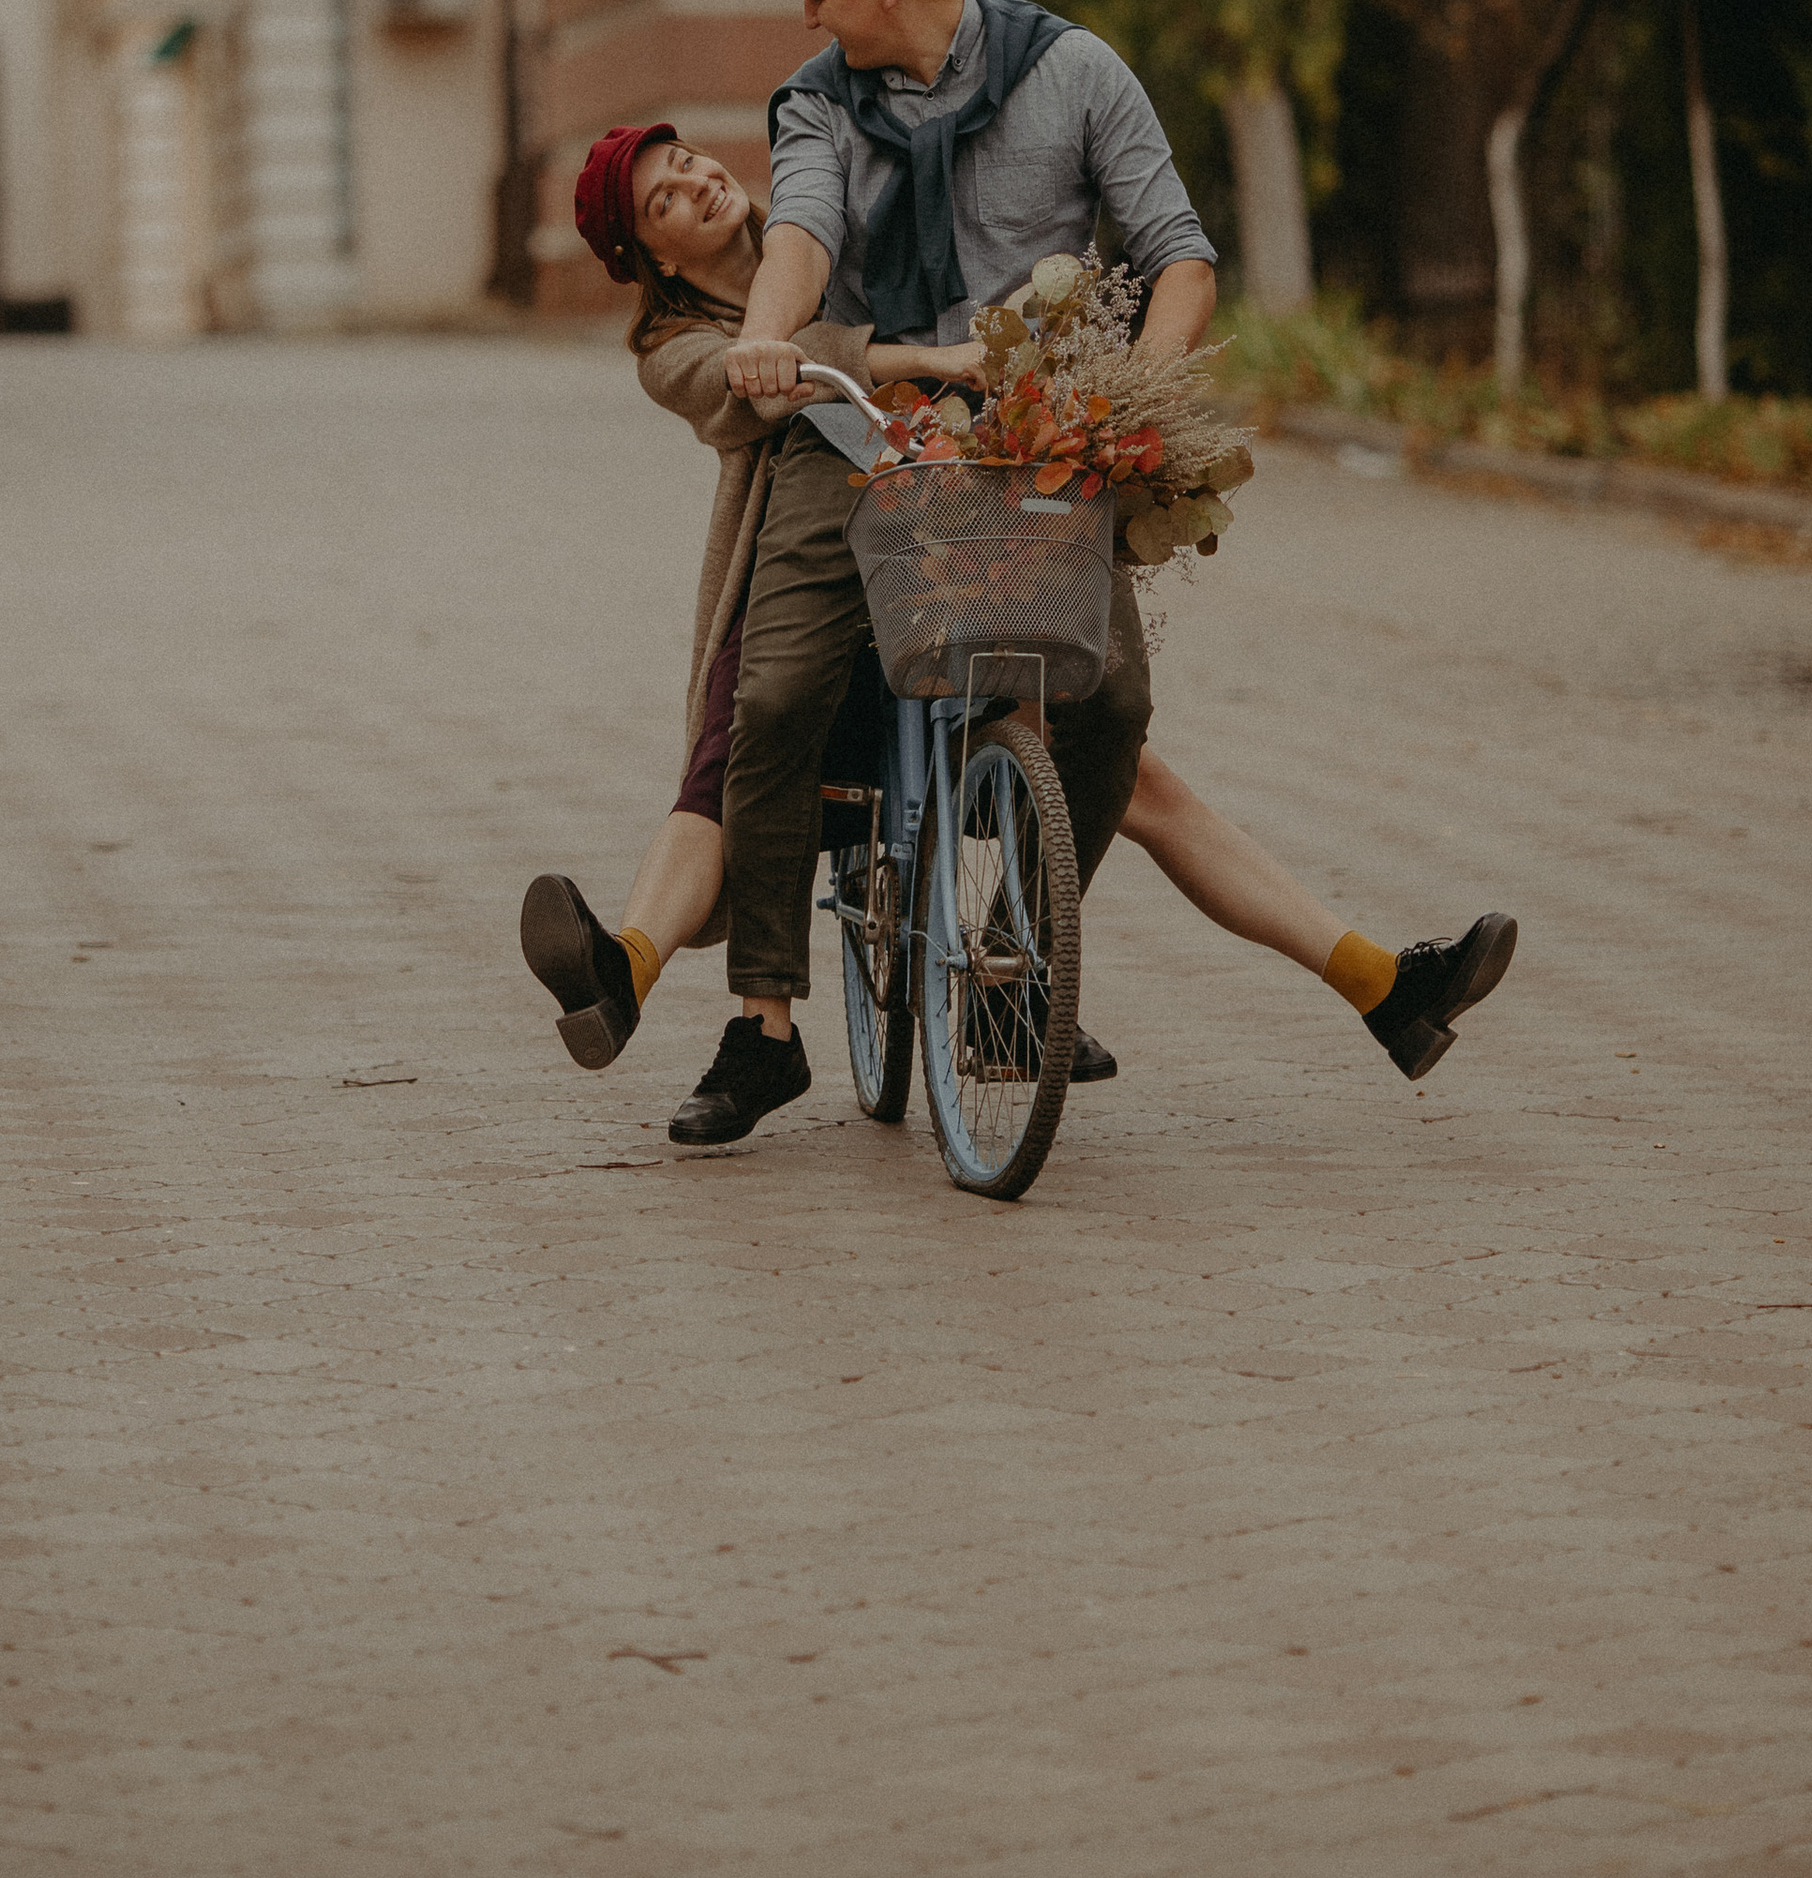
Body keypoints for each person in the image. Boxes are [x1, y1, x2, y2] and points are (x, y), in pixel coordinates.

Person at [520, 80, 1517, 1142]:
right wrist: (921, 360)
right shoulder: (673, 349)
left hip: (943, 545)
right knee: (737, 744)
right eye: (662, 199)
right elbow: (757, 384)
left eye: (690, 164)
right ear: (653, 258)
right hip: (806, 591)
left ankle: (1377, 983)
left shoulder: (821, 228)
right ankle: (666, 989)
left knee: (1129, 770)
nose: (697, 180)